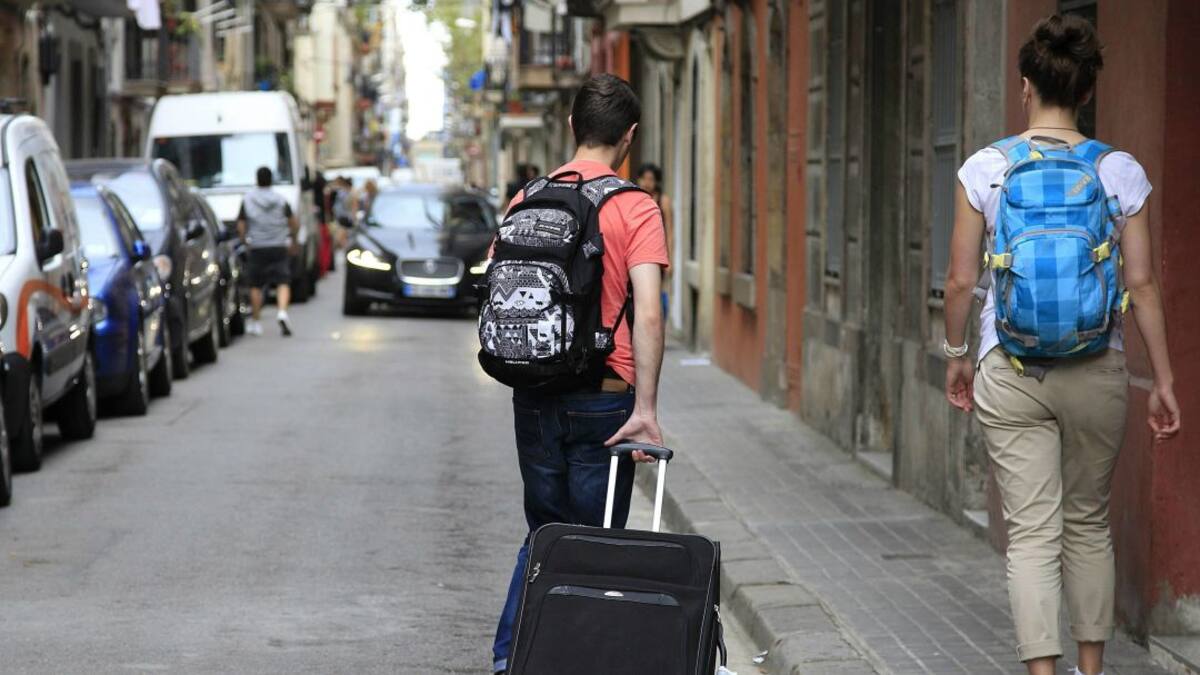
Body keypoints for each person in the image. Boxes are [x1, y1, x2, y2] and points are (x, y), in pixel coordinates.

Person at [943, 15, 1180, 675]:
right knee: (1087, 523)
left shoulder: (986, 169)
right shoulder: (1118, 171)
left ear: (1025, 85)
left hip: (1009, 366)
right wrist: (1163, 379)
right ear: (1086, 91)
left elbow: (960, 280)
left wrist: (956, 354)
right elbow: (1142, 284)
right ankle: (1091, 669)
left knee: (1031, 534)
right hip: (1097, 366)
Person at [490, 74, 669, 675]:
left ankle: (510, 660)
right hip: (604, 399)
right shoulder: (636, 207)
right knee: (596, 546)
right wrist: (646, 410)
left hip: (534, 394)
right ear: (630, 137)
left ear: (571, 126)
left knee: (545, 536)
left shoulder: (527, 198)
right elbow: (648, 313)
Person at [237, 166, 299, 337]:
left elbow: (241, 225)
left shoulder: (248, 199)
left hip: (257, 247)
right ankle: (282, 312)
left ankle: (256, 322)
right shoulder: (280, 199)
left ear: (257, 180)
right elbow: (293, 222)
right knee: (283, 281)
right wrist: (293, 240)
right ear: (272, 180)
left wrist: (245, 241)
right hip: (279, 245)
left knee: (255, 285)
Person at [636, 162, 673, 320]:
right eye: (644, 178)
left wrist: (669, 260)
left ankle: (660, 322)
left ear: (656, 181)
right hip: (638, 252)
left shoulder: (663, 201)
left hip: (658, 254)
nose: (646, 183)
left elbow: (669, 231)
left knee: (657, 293)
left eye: (650, 179)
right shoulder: (635, 198)